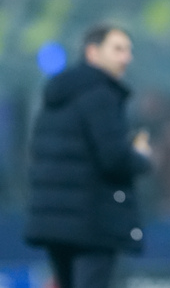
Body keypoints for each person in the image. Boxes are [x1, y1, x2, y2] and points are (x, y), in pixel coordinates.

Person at [24, 25, 152, 288]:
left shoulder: (58, 93)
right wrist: (141, 156)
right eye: (118, 49)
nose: (126, 58)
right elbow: (114, 158)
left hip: (54, 219)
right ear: (92, 52)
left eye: (128, 50)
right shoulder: (100, 94)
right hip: (93, 220)